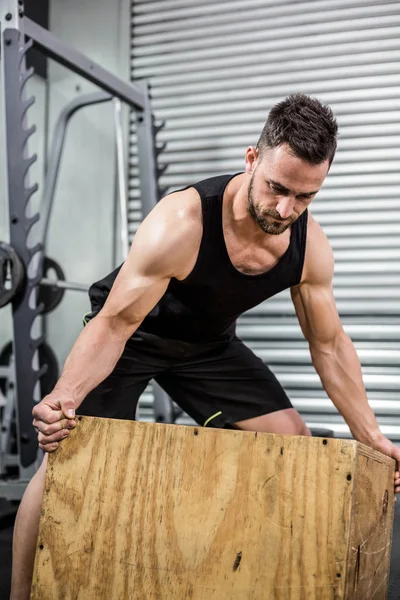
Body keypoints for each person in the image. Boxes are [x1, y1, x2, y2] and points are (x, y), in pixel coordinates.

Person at [10, 93, 400, 599]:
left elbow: (328, 345)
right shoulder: (182, 222)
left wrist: (370, 436)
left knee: (293, 444)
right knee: (65, 457)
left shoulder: (309, 246)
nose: (285, 209)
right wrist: (62, 402)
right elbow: (115, 323)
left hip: (208, 347)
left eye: (305, 197)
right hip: (133, 337)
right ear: (251, 158)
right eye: (277, 188)